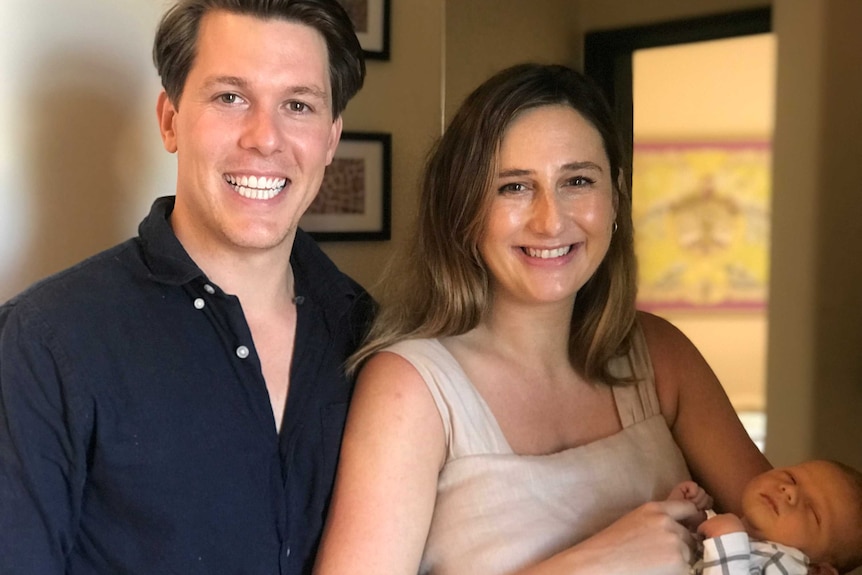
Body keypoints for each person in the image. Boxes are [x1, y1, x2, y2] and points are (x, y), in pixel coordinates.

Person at [313, 62, 772, 575]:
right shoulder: (412, 389)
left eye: (577, 180)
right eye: (514, 187)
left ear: (616, 195)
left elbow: (797, 535)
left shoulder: (661, 354)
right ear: (463, 208)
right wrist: (592, 562)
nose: (550, 220)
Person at [0, 1, 371, 573]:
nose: (264, 138)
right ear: (170, 121)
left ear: (330, 140)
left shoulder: (370, 334)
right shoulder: (44, 341)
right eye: (231, 97)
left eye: (298, 105)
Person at [670, 460, 862, 575]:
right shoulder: (737, 535)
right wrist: (689, 519)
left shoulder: (788, 566)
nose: (790, 491)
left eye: (811, 510)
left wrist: (727, 542)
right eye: (791, 478)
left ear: (819, 572)